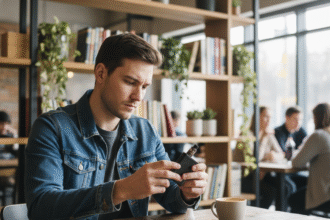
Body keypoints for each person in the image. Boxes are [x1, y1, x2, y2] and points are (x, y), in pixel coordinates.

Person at [25, 34, 208, 220]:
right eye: (130, 82)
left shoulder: (146, 132)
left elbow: (171, 199)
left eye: (145, 86)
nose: (138, 97)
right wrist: (121, 190)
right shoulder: (52, 128)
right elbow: (41, 207)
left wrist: (187, 193)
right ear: (101, 73)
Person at [233, 106, 289, 209]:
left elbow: (282, 154)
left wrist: (273, 156)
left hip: (261, 174)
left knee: (284, 187)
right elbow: (255, 159)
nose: (269, 120)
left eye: (270, 117)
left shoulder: (268, 134)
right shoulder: (246, 134)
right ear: (257, 117)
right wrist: (263, 140)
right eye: (266, 117)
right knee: (270, 191)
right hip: (244, 177)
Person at [289, 103, 330, 215]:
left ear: (317, 117)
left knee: (293, 200)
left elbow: (296, 163)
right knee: (298, 184)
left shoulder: (319, 135)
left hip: (325, 194)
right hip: (326, 188)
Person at [274, 106, 308, 192]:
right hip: (280, 173)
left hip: (294, 171)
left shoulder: (300, 131)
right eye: (295, 119)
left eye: (300, 120)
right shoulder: (278, 132)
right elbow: (284, 154)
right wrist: (299, 151)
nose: (298, 123)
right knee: (289, 187)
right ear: (287, 118)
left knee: (308, 181)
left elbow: (307, 147)